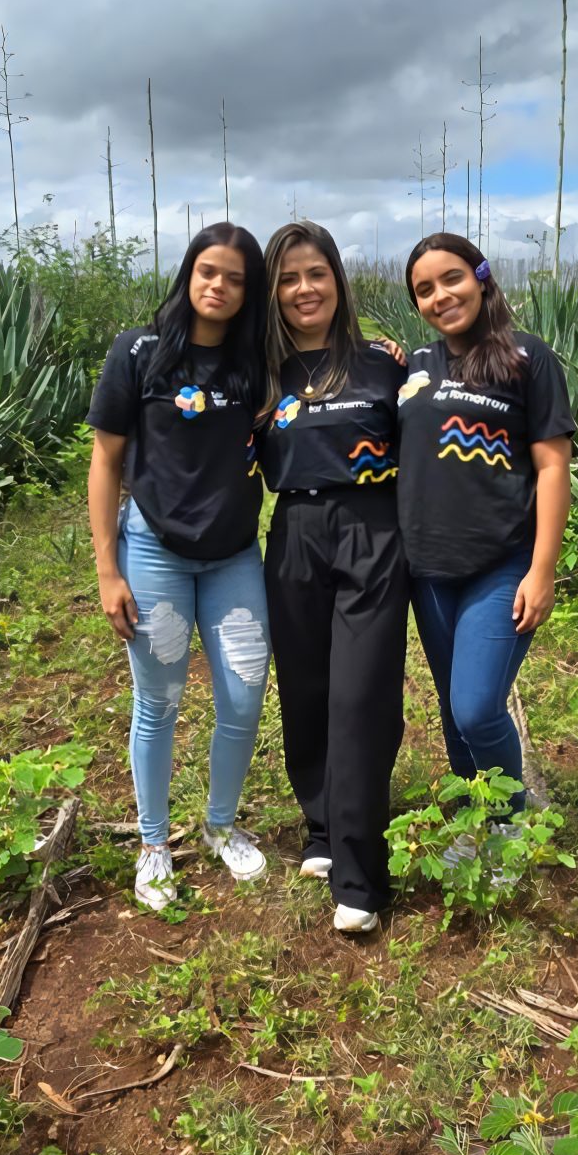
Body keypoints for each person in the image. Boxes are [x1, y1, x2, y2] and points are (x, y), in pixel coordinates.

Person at [86, 223, 274, 911]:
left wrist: (383, 349)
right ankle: (154, 843)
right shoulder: (139, 353)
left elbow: (327, 364)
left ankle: (221, 825)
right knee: (158, 704)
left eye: (234, 278)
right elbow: (106, 462)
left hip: (233, 558)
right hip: (155, 554)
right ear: (188, 274)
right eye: (208, 271)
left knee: (245, 698)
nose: (218, 286)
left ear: (247, 291)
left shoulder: (258, 363)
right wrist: (109, 570)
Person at [256, 221, 409, 934]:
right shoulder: (261, 371)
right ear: (273, 292)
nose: (303, 289)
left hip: (372, 528)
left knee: (361, 695)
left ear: (338, 280)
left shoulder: (382, 363)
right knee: (307, 689)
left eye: (315, 273)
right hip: (292, 532)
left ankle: (360, 876)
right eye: (287, 278)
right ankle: (321, 823)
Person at [395, 233, 573, 830]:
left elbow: (552, 467)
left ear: (481, 276)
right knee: (452, 708)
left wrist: (542, 569)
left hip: (502, 565)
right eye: (424, 290)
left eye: (451, 279)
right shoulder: (415, 367)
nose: (440, 296)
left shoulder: (528, 358)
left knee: (476, 708)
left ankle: (506, 826)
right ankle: (476, 822)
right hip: (428, 568)